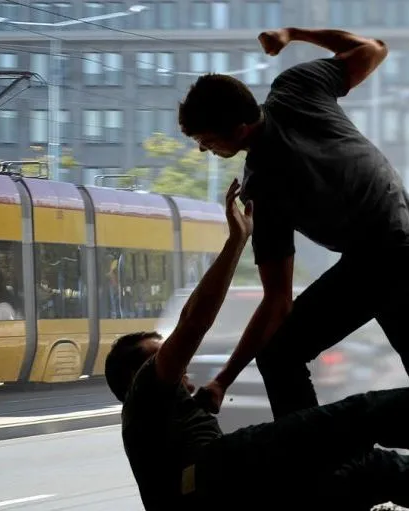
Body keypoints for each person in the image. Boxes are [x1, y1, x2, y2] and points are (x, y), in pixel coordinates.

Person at [104, 179, 409, 511]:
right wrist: (238, 240)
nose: (180, 366)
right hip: (213, 476)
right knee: (356, 416)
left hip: (233, 488)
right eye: (158, 356)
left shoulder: (162, 425)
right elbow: (193, 322)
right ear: (136, 376)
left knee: (373, 468)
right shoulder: (144, 395)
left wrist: (217, 386)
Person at [176, 26, 409, 421]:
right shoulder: (297, 86)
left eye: (208, 141)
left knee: (279, 355)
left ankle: (312, 467)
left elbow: (277, 301)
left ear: (238, 130)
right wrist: (293, 33)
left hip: (377, 260)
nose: (203, 149)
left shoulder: (263, 185)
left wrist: (223, 380)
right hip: (392, 244)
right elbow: (372, 49)